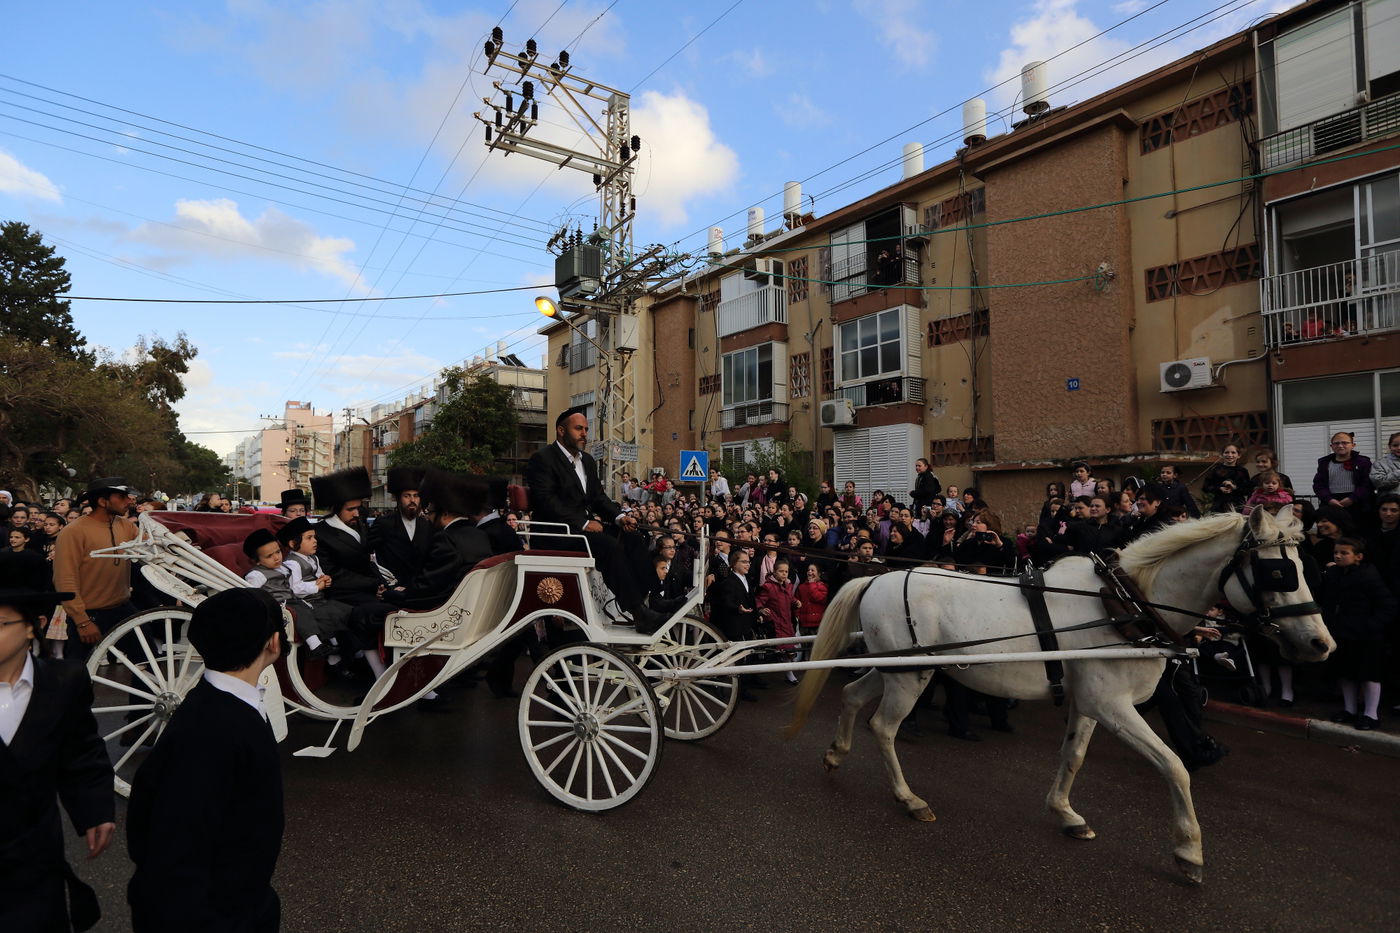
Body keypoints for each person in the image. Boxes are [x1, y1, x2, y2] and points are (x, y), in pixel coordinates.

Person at [127, 588, 286, 932]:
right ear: (273, 643)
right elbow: (178, 845)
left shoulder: (215, 707)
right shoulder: (218, 724)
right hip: (216, 913)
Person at [0, 550, 115, 933]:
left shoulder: (62, 683)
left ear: (34, 625)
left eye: (0, 623)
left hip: (34, 854)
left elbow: (80, 751)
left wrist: (94, 809)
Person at [524, 408, 664, 632]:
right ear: (561, 431)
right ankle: (638, 612)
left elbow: (598, 497)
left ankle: (655, 599)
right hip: (556, 533)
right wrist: (583, 523)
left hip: (581, 532)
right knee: (608, 546)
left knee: (634, 537)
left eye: (586, 429)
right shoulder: (543, 459)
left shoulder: (587, 461)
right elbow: (546, 501)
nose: (584, 434)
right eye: (578, 428)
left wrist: (619, 517)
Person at [309, 467, 392, 679]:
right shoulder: (321, 532)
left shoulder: (358, 525)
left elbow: (368, 561)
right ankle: (379, 674)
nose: (357, 513)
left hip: (364, 589)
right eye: (351, 509)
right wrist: (372, 585)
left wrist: (382, 583)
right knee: (378, 613)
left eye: (358, 507)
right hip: (340, 593)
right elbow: (332, 573)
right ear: (336, 509)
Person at [52, 477, 140, 660]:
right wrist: (82, 621)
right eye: (121, 497)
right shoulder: (73, 532)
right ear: (102, 501)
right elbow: (64, 579)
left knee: (148, 659)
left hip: (123, 608)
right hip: (89, 613)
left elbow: (149, 545)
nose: (129, 500)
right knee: (78, 673)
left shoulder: (127, 526)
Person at [1322, 537, 1396, 730]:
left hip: (1367, 636)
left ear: (1358, 557)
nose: (1338, 556)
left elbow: (1387, 606)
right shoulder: (1332, 574)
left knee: (1369, 675)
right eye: (1336, 552)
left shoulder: (1369, 576)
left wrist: (1370, 626)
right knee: (1345, 673)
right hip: (1341, 633)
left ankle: (1371, 714)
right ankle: (1349, 709)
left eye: (1344, 553)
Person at [368, 466, 433, 587]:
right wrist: (383, 583)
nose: (412, 500)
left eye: (416, 495)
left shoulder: (427, 525)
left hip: (419, 589)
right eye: (407, 496)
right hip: (392, 588)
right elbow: (368, 557)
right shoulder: (383, 523)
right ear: (398, 499)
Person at [1313, 431, 1375, 528]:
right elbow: (1318, 484)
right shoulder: (1324, 463)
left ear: (1353, 445)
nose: (1340, 445)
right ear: (1331, 446)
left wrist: (1352, 498)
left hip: (1357, 504)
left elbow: (1367, 484)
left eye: (1345, 443)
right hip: (1332, 503)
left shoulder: (1363, 462)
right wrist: (1329, 499)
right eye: (1336, 443)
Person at [1202, 444, 1251, 513]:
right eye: (1226, 452)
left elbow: (1248, 489)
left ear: (1239, 455)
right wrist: (1219, 488)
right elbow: (1205, 487)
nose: (1230, 455)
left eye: (1233, 452)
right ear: (1222, 454)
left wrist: (1234, 487)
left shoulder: (1243, 471)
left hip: (1238, 506)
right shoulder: (1215, 470)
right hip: (1219, 506)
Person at [1370, 431, 1400, 498]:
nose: (1399, 448)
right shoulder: (1380, 463)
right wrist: (1398, 474)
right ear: (1390, 446)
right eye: (1395, 445)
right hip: (1389, 504)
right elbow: (1378, 482)